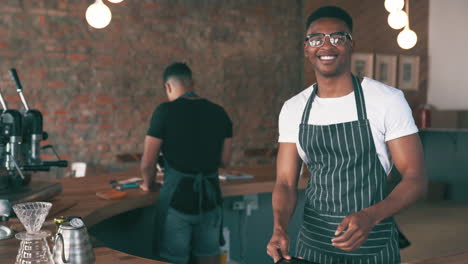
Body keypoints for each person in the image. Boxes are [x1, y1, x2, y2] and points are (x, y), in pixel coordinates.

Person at [267, 6, 427, 264]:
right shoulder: (294, 108)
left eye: (338, 37)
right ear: (307, 48)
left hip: (372, 245)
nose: (326, 46)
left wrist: (371, 216)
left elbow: (416, 178)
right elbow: (285, 182)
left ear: (352, 44)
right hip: (313, 247)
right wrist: (279, 228)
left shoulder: (387, 100)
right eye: (317, 39)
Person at [140, 62, 233, 264]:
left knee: (173, 259)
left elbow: (148, 163)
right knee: (208, 257)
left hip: (177, 202)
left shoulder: (164, 112)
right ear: (192, 83)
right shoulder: (219, 112)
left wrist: (148, 184)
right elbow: (224, 161)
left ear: (168, 87)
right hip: (210, 200)